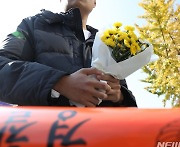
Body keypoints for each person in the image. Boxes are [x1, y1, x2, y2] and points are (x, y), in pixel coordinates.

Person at [0, 0, 137, 107]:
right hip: (44, 135)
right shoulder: (32, 25)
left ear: (95, 2)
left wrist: (119, 96)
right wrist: (59, 83)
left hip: (102, 136)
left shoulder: (110, 43)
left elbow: (124, 96)